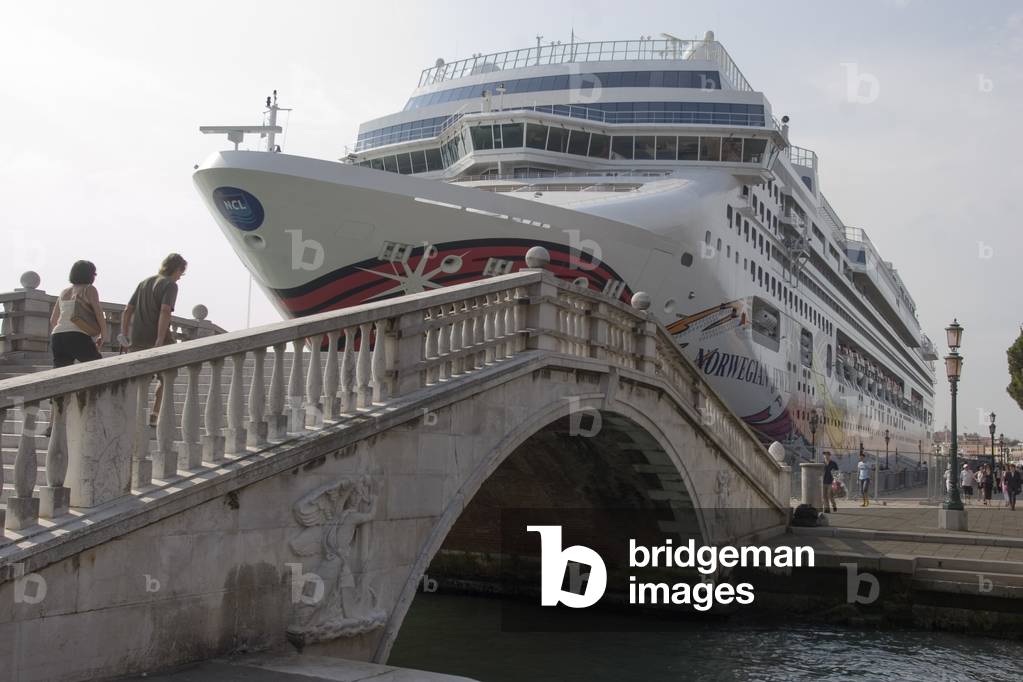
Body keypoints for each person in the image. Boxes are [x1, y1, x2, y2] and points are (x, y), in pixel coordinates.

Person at [120, 253, 187, 425]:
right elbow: (165, 310)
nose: (181, 277)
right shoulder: (170, 285)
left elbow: (127, 310)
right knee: (167, 376)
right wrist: (159, 339)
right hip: (158, 338)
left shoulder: (144, 282)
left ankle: (134, 415)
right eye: (182, 272)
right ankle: (155, 413)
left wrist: (124, 335)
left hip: (137, 339)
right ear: (177, 269)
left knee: (139, 380)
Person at [49, 260, 107, 367]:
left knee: (61, 372)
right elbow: (99, 314)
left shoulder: (64, 292)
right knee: (96, 367)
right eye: (94, 274)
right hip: (77, 335)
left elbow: (53, 320)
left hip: (57, 336)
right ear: (89, 274)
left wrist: (63, 332)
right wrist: (103, 335)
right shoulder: (89, 289)